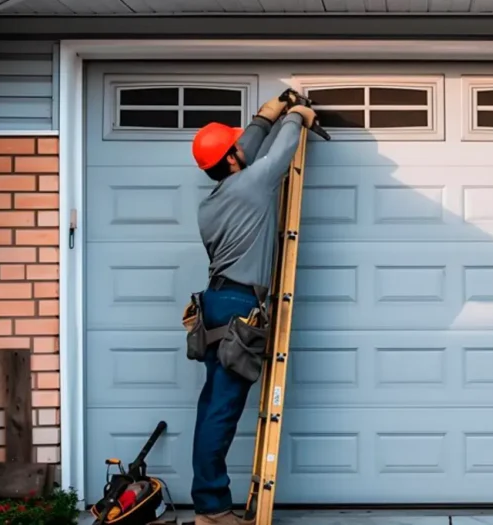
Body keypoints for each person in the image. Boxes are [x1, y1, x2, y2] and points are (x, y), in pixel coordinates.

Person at [188, 90, 317, 525]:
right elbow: (280, 153)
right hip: (240, 305)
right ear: (229, 160)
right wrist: (298, 116)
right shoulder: (253, 183)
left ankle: (208, 503)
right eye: (236, 147)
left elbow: (249, 149)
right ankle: (212, 509)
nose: (242, 148)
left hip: (215, 302)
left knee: (212, 406)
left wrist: (268, 113)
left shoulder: (214, 201)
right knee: (222, 410)